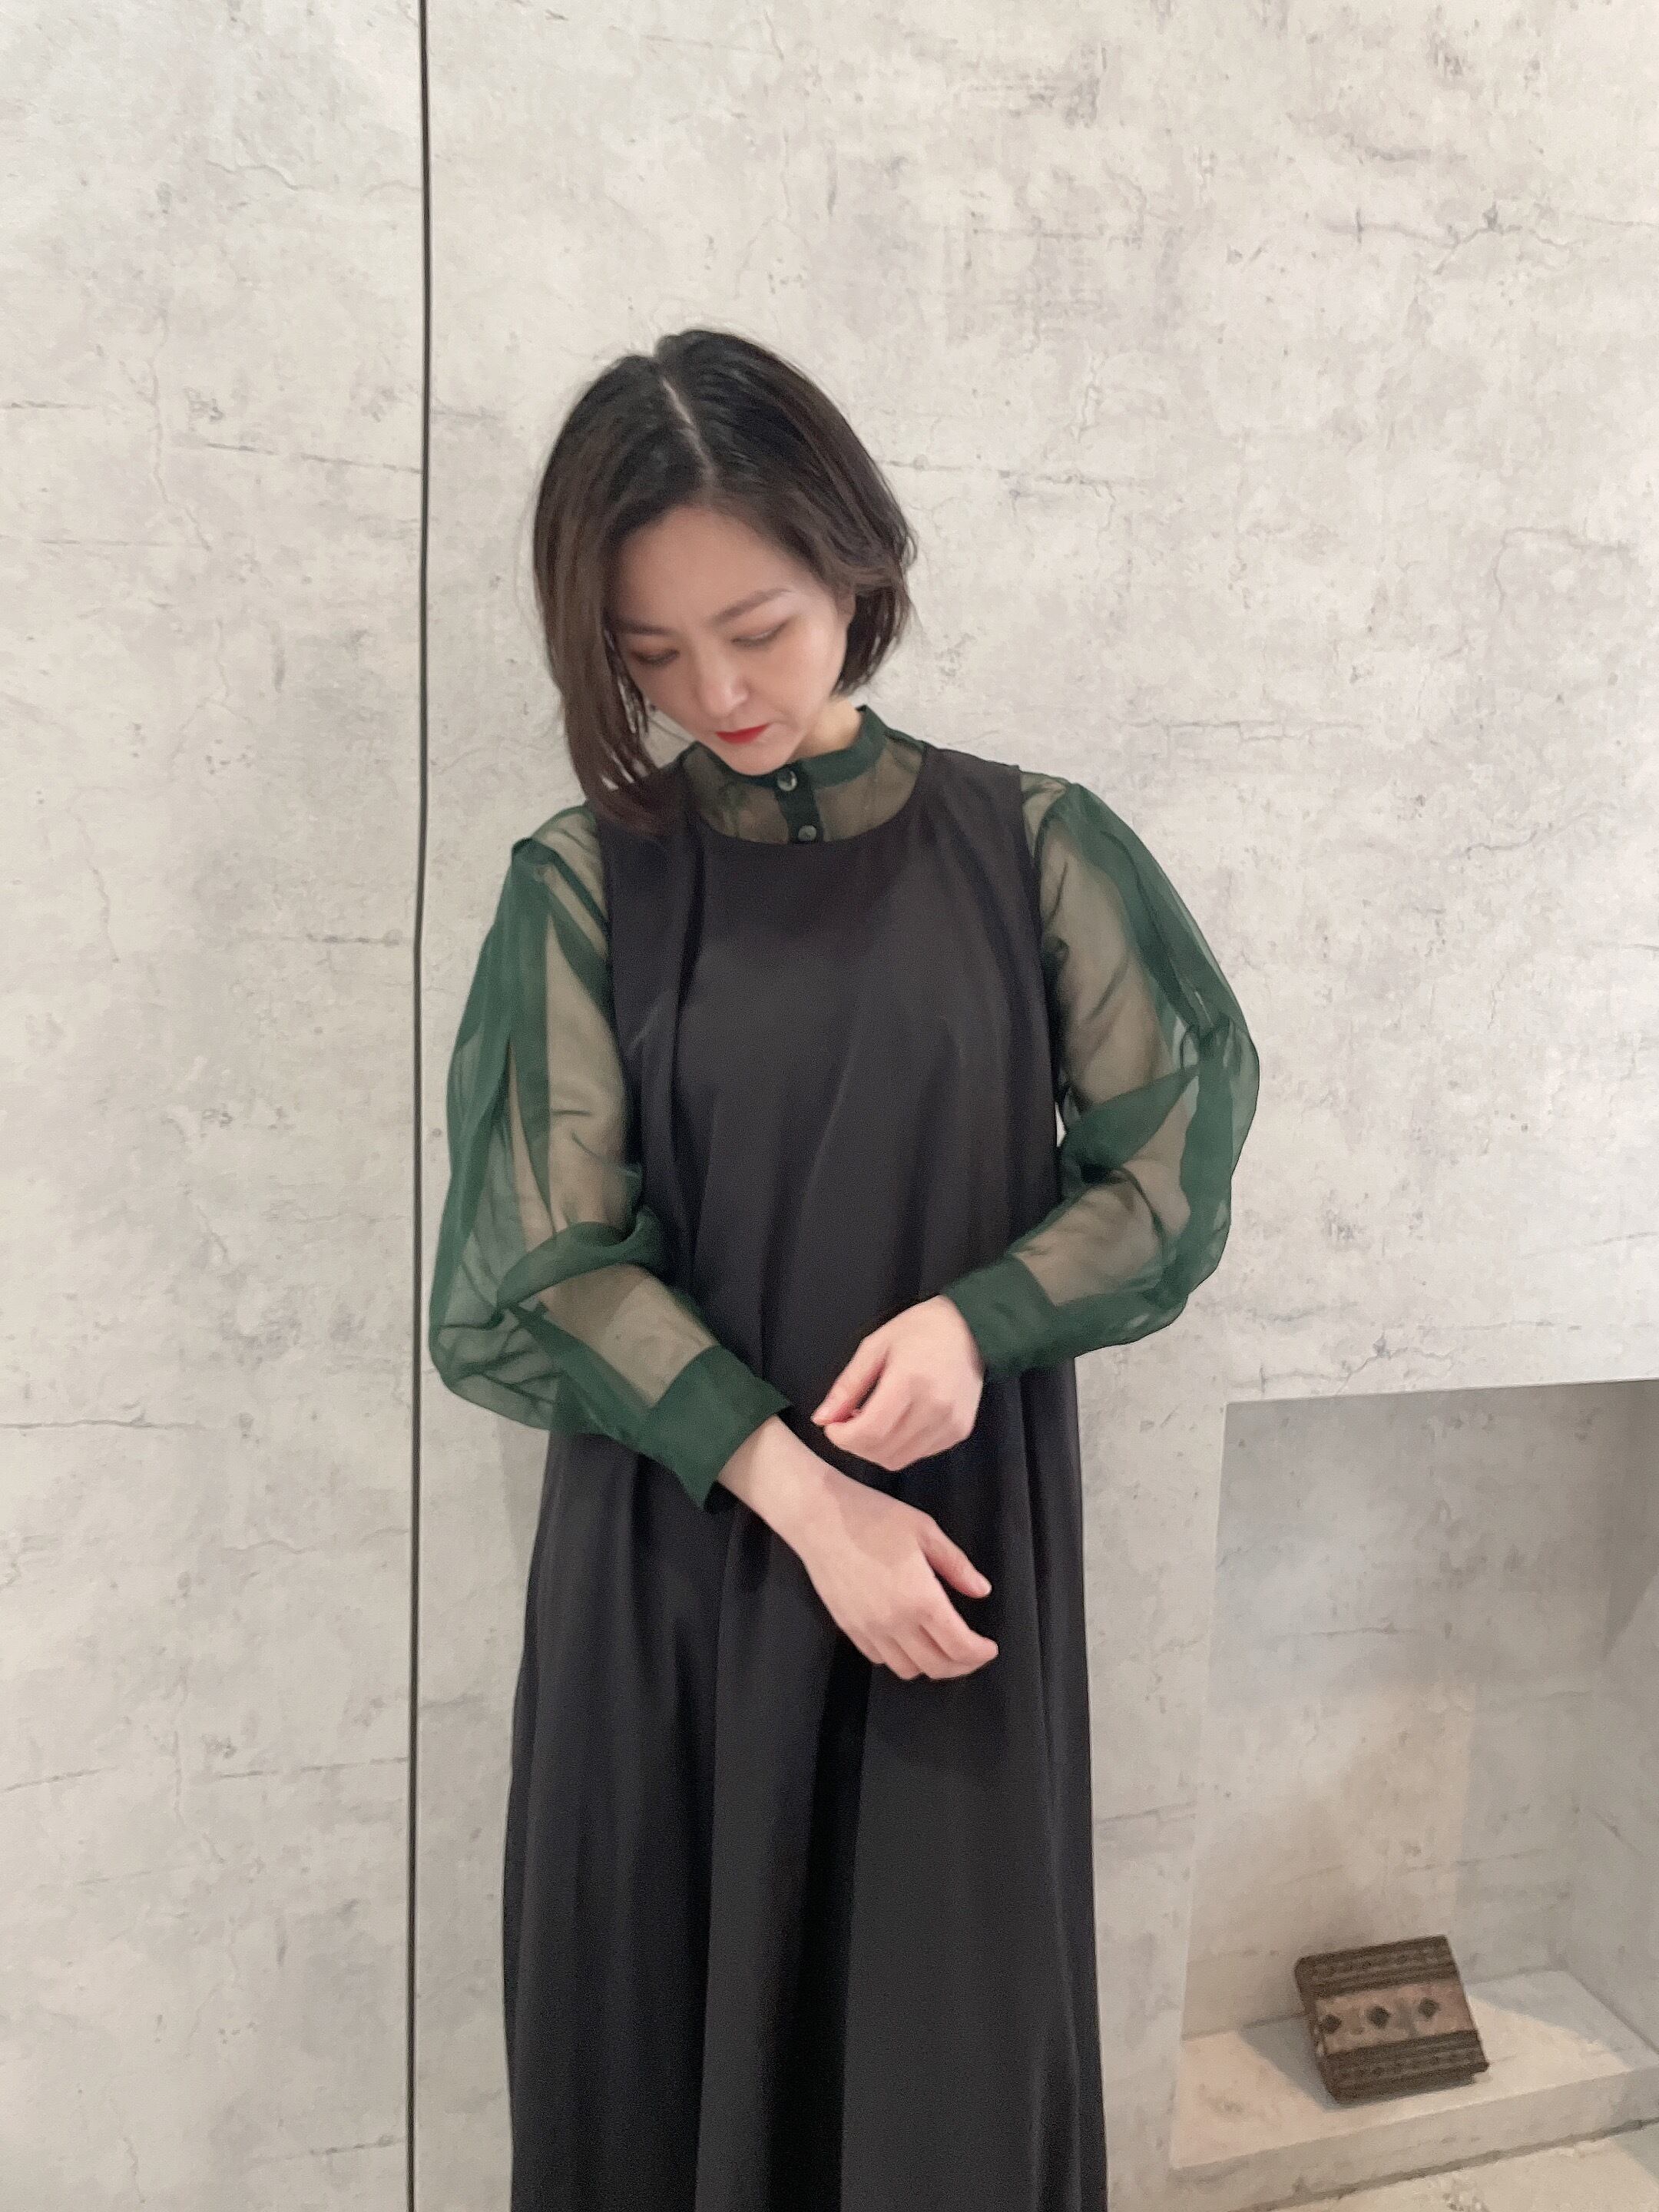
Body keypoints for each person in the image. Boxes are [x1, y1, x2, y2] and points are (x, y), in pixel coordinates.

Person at [428, 326, 1261, 2212]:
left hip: (948, 1553)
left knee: (940, 2063)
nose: (713, 693)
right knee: (664, 2046)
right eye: (649, 656)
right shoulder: (587, 886)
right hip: (685, 1552)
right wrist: (811, 1503)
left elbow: (1165, 1158)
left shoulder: (1032, 848)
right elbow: (550, 1258)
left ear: (856, 567)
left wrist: (984, 1320)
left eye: (760, 627)